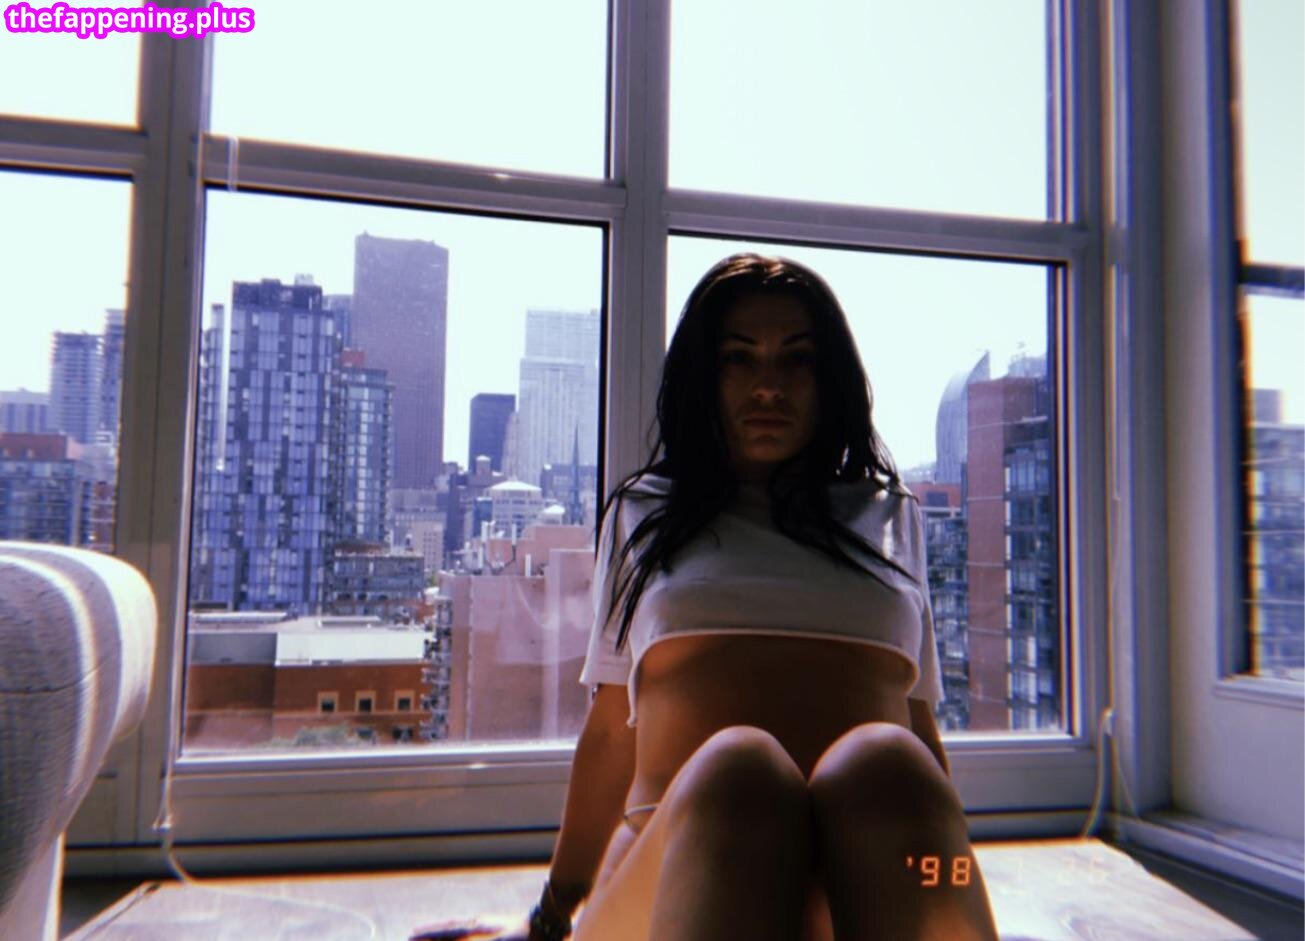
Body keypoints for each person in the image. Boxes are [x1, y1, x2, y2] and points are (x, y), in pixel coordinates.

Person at [437, 253, 1001, 941]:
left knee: (887, 761)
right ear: (703, 376)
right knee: (742, 771)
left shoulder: (891, 514)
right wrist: (548, 920)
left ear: (830, 378)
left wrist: (953, 891)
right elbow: (612, 732)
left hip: (846, 899)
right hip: (668, 883)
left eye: (796, 360)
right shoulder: (645, 512)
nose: (768, 387)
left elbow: (919, 730)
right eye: (739, 359)